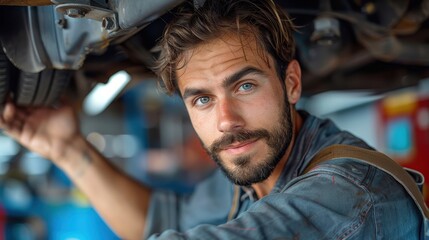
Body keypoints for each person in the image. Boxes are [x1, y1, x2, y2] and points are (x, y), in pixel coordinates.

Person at [0, 0, 423, 239]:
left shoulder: (352, 194)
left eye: (245, 86)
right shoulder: (249, 176)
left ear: (291, 83)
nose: (226, 120)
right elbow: (159, 223)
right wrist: (65, 148)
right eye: (202, 99)